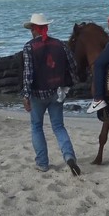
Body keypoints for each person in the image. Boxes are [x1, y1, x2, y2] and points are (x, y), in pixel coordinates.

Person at [21, 13, 81, 176]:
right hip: (57, 92)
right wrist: (70, 84)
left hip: (37, 94)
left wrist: (25, 95)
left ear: (34, 29)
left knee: (36, 126)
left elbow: (28, 74)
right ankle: (69, 156)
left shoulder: (28, 47)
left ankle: (42, 163)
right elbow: (73, 65)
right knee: (58, 126)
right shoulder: (60, 45)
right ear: (46, 27)